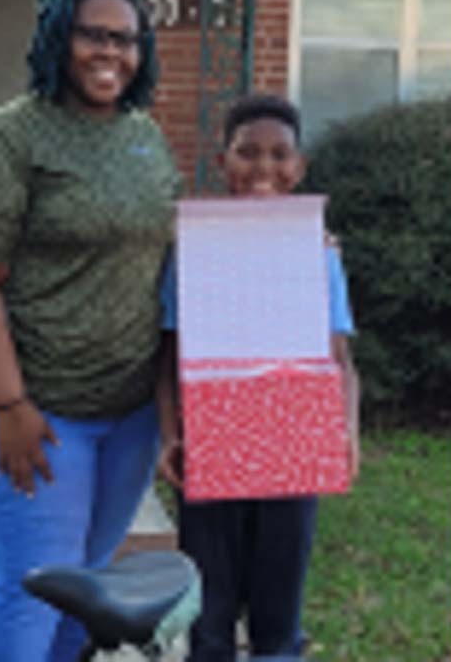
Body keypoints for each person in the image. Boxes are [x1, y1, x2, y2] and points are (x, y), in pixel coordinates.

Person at [0, 0, 181, 662]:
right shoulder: (12, 136)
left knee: (91, 586)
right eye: (92, 35)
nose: (111, 52)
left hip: (128, 410)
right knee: (37, 585)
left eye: (127, 39)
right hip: (38, 408)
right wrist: (10, 405)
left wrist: (283, 236)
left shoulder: (146, 137)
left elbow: (174, 252)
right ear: (56, 38)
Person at [157, 93, 360, 661]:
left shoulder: (319, 255)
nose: (263, 168)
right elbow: (169, 358)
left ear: (300, 167)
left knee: (279, 625)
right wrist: (172, 433)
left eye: (279, 155)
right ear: (222, 162)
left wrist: (346, 429)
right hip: (213, 444)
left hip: (292, 452)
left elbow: (339, 359)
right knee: (210, 619)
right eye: (247, 153)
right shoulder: (192, 251)